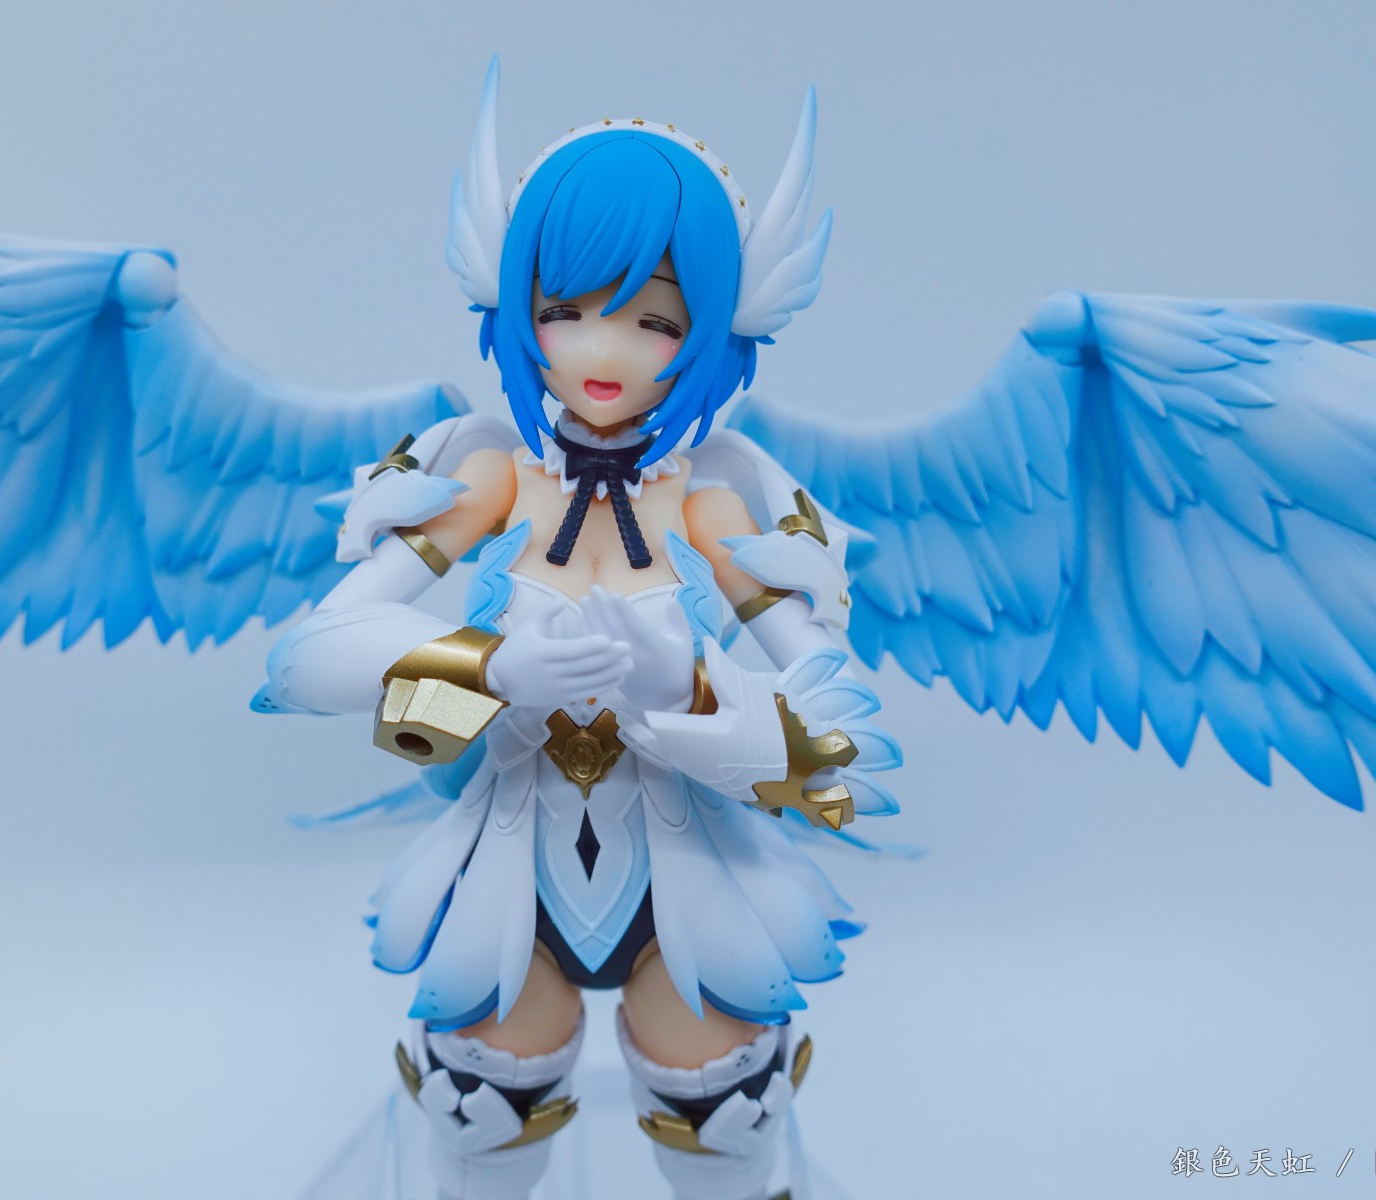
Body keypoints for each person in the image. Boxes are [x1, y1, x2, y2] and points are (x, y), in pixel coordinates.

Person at [258, 64, 898, 1200]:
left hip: (694, 882)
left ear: (711, 330)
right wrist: (491, 668)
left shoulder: (719, 506)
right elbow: (308, 661)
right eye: (564, 310)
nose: (603, 352)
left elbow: (840, 740)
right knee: (482, 1130)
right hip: (507, 875)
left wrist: (693, 690)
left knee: (725, 1133)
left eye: (654, 320)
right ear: (519, 311)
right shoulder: (486, 479)